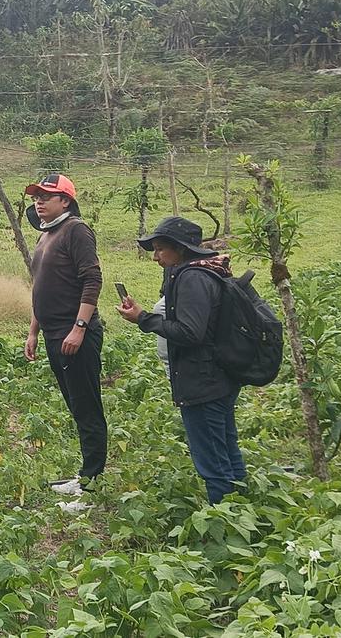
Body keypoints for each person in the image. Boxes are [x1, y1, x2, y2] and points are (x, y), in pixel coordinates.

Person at [116, 216, 246, 504]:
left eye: (161, 249)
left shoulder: (192, 278)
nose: (155, 257)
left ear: (180, 248)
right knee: (225, 447)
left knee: (212, 461)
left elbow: (190, 332)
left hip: (203, 381)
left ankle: (225, 522)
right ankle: (241, 509)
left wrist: (143, 319)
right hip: (218, 376)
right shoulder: (204, 271)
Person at [23, 173, 107, 505]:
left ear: (66, 201)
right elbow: (41, 289)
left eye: (46, 196)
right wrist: (33, 331)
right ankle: (87, 474)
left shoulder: (76, 230)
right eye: (35, 197)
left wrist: (79, 327)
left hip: (75, 336)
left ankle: (92, 486)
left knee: (87, 407)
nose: (38, 202)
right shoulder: (47, 235)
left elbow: (92, 279)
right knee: (76, 405)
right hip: (54, 334)